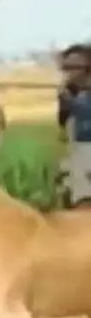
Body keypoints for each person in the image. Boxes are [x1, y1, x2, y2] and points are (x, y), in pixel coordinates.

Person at [58, 44, 91, 207]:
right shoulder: (73, 95)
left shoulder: (78, 99)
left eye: (73, 68)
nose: (67, 73)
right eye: (65, 68)